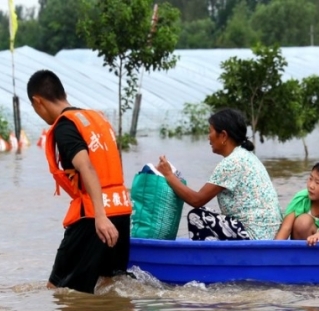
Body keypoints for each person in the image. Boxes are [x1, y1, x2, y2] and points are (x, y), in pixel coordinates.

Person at [27, 70, 132, 294]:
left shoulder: (66, 125)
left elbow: (86, 166)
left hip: (95, 217)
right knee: (109, 285)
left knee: (59, 290)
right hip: (121, 210)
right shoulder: (97, 119)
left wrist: (101, 216)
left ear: (38, 102)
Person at [156, 108, 282, 240]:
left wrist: (169, 175)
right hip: (269, 232)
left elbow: (197, 200)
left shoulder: (232, 163)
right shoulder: (246, 156)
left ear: (223, 136)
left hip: (255, 235)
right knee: (208, 212)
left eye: (210, 132)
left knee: (197, 216)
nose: (208, 137)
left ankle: (210, 259)